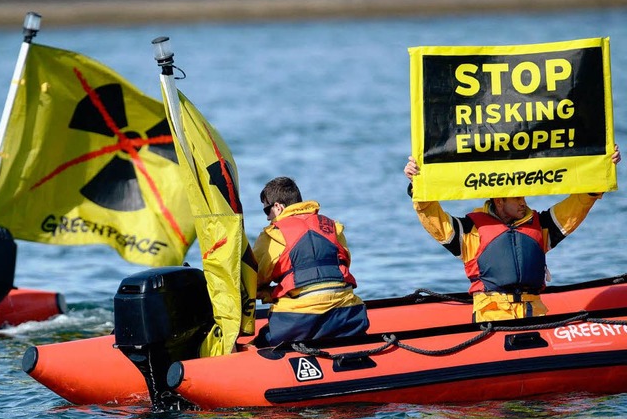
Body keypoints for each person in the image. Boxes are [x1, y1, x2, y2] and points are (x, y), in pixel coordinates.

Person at [403, 145, 621, 322]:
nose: (523, 202)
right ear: (499, 201)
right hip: (491, 317)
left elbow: (577, 205)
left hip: (535, 314)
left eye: (523, 197)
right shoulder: (470, 230)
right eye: (517, 198)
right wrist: (418, 183)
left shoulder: (540, 225)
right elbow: (431, 213)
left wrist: (600, 169)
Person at [252, 176, 370, 346]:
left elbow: (252, 281)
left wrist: (265, 294)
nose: (267, 218)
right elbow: (337, 270)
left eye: (267, 211)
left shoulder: (272, 235)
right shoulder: (332, 227)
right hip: (348, 314)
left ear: (278, 207)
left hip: (300, 320)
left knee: (261, 342)